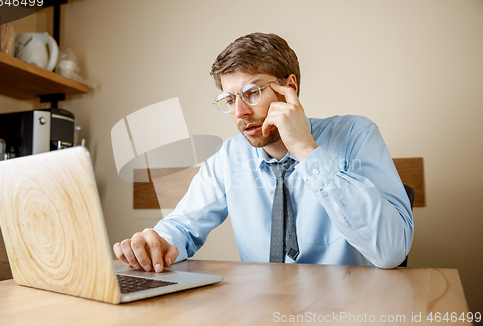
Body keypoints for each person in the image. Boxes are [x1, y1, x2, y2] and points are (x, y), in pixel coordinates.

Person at [113, 32, 414, 273]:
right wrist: (157, 243)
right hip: (261, 310)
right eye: (229, 99)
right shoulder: (229, 156)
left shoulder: (355, 135)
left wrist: (306, 150)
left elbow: (391, 251)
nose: (240, 112)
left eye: (252, 93)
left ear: (289, 88)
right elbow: (182, 226)